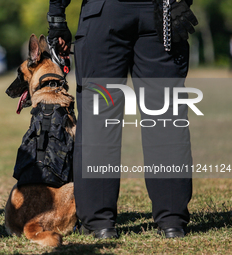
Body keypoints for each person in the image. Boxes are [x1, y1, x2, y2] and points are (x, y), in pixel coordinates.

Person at [47, 0, 198, 239]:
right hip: (161, 12)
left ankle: (100, 224)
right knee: (167, 119)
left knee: (99, 120)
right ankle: (172, 221)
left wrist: (57, 18)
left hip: (104, 12)